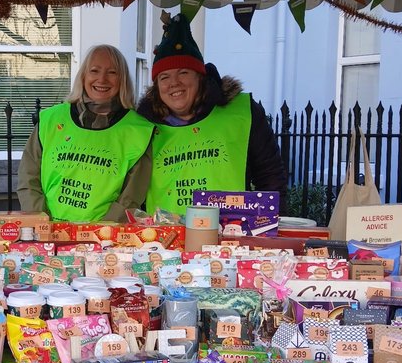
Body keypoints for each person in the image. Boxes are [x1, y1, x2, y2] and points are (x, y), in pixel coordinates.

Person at [137, 12, 287, 214]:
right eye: (164, 77)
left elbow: (271, 179)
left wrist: (266, 228)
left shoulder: (242, 112)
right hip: (164, 240)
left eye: (183, 72)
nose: (174, 83)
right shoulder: (143, 124)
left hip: (231, 237)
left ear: (200, 77)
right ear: (157, 86)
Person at [17, 45, 153, 221]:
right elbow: (29, 179)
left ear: (123, 80)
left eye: (112, 72)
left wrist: (99, 234)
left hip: (102, 239)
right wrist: (42, 224)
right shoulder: (51, 119)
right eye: (94, 70)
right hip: (47, 234)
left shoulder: (138, 131)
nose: (102, 79)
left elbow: (130, 198)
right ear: (83, 76)